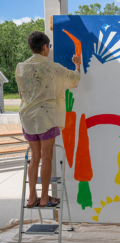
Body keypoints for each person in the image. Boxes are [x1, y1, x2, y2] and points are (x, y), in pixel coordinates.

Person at [15, 31, 81, 207]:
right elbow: (74, 80)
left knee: (34, 157)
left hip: (28, 118)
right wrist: (77, 65)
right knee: (47, 157)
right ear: (45, 47)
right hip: (46, 118)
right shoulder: (53, 68)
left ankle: (31, 197)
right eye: (49, 47)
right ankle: (44, 197)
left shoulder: (21, 67)